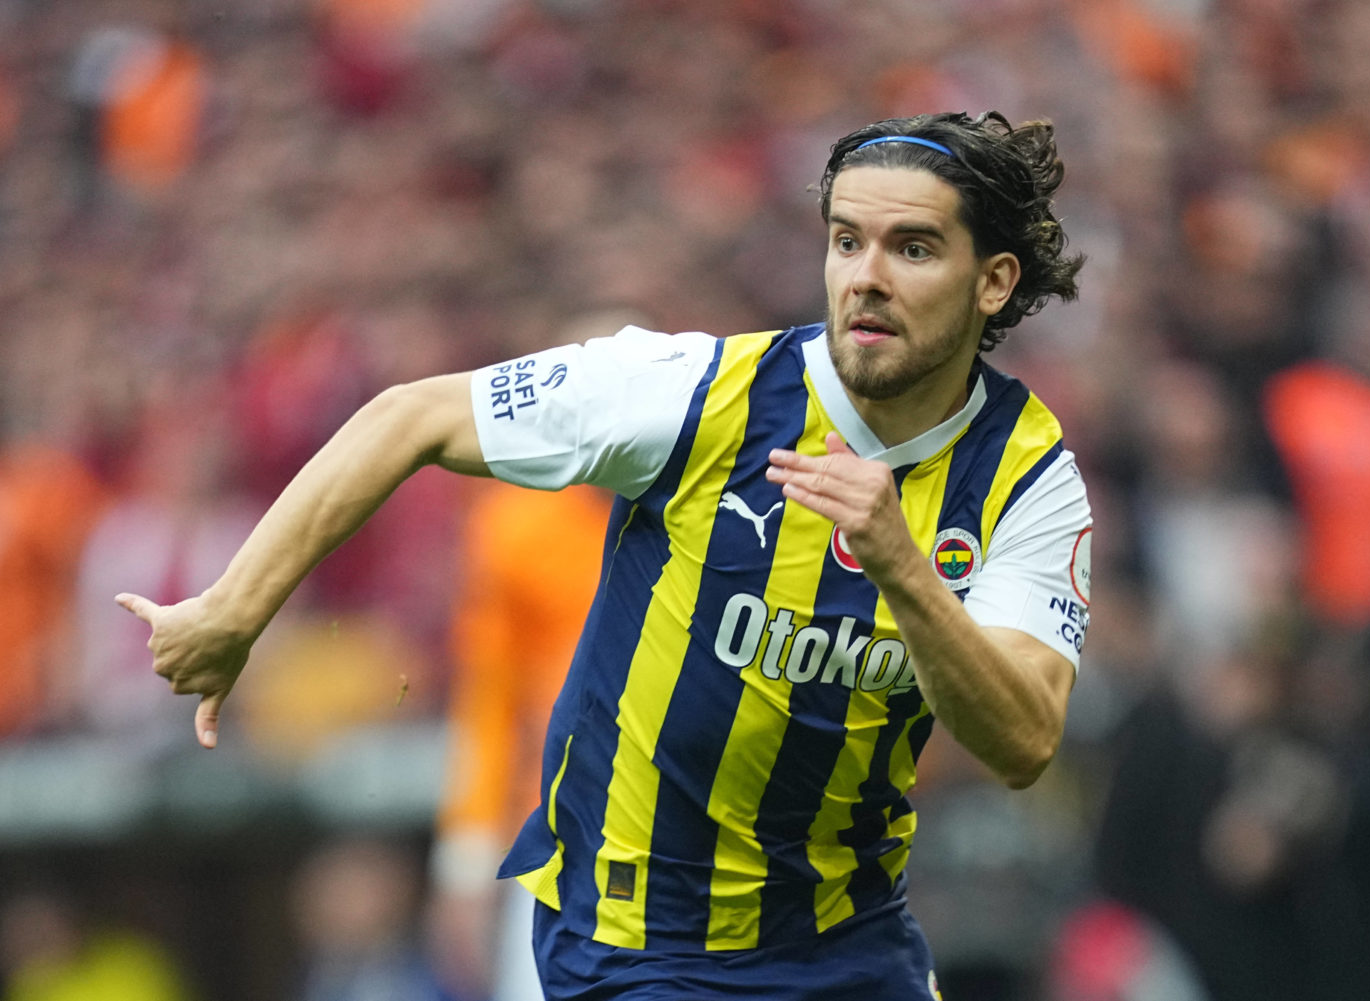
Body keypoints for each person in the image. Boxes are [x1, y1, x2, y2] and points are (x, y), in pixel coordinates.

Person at [117, 110, 1093, 1000]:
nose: (866, 274)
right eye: (847, 241)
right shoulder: (693, 392)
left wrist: (904, 568)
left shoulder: (1027, 476)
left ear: (993, 279)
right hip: (639, 942)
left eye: (912, 247)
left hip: (852, 941)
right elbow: (405, 415)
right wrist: (231, 610)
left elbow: (1023, 738)